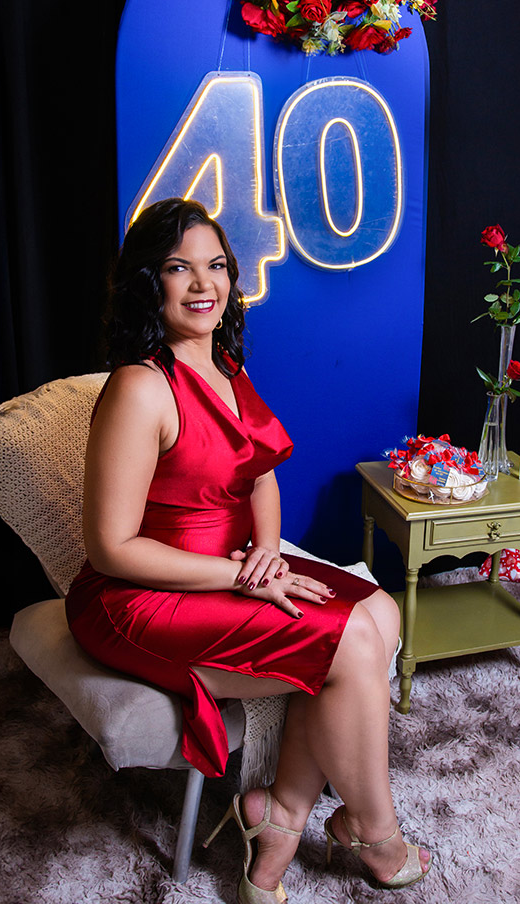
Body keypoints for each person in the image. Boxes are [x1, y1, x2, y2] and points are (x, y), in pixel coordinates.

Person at [65, 197, 431, 901]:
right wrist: (240, 577)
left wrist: (267, 554)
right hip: (137, 597)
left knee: (380, 611)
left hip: (232, 567)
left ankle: (279, 813)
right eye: (179, 268)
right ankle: (373, 830)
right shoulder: (140, 387)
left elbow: (260, 475)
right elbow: (110, 549)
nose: (203, 284)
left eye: (216, 265)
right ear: (148, 281)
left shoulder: (226, 368)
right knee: (353, 641)